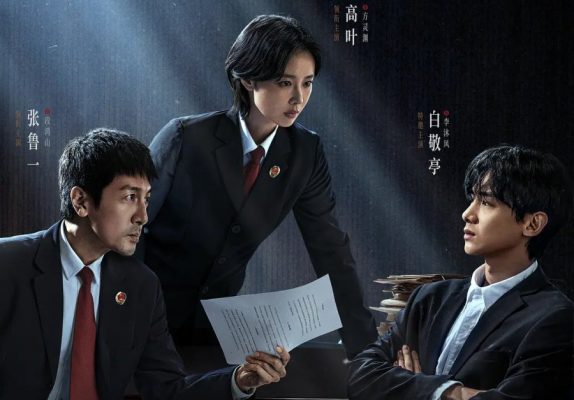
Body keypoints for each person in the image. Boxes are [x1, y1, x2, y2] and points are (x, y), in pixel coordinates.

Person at [142, 14, 376, 358]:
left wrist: (368, 351)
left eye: (307, 83)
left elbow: (331, 252)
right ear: (249, 79)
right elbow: (128, 228)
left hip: (214, 333)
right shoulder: (185, 138)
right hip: (143, 319)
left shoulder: (305, 152)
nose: (298, 98)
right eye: (285, 83)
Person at [0, 129, 289, 400]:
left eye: (147, 199)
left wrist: (239, 381)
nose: (143, 216)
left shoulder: (141, 285)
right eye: (130, 197)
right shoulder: (8, 264)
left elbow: (167, 389)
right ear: (81, 201)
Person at [347, 145, 574, 400]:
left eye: (486, 203)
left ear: (532, 224)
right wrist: (448, 392)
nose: (468, 214)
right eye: (472, 199)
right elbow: (360, 377)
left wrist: (410, 387)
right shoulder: (429, 299)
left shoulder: (555, 318)